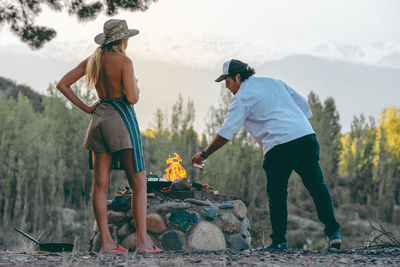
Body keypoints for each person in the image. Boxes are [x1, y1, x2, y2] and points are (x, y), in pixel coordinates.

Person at [192, 59, 341, 250]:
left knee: (277, 194)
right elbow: (303, 105)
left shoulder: (242, 97)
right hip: (305, 137)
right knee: (317, 186)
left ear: (238, 77)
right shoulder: (274, 83)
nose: (226, 86)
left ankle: (279, 242)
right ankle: (333, 233)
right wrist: (294, 124)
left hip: (278, 145)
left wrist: (204, 154)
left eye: (227, 81)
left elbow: (226, 133)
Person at [57, 19, 161, 253]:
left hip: (98, 120)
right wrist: (136, 88)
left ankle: (106, 242)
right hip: (121, 119)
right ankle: (144, 243)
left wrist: (86, 108)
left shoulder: (93, 60)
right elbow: (132, 98)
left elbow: (63, 84)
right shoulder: (124, 61)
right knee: (139, 181)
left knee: (100, 184)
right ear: (122, 40)